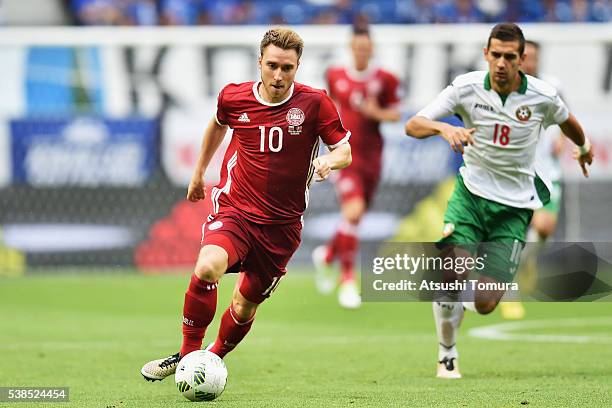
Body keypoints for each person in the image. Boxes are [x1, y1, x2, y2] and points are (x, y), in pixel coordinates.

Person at [141, 27, 352, 382]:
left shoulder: (315, 103)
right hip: (235, 211)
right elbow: (217, 125)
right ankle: (188, 355)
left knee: (244, 304)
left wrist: (329, 162)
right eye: (272, 65)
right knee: (208, 266)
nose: (279, 75)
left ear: (298, 67)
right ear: (260, 62)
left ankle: (211, 358)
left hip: (282, 228)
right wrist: (198, 173)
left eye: (288, 68)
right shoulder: (234, 98)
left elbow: (344, 148)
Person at [404, 23, 593, 379]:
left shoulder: (542, 96)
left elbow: (570, 124)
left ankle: (461, 301)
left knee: (486, 303)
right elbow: (414, 124)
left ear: (522, 60)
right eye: (496, 55)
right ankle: (447, 352)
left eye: (510, 57)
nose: (502, 63)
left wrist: (582, 149)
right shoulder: (466, 87)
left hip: (514, 208)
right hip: (470, 197)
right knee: (451, 274)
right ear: (486, 55)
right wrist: (445, 128)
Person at [312, 24, 400, 309]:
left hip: (372, 158)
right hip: (344, 154)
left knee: (355, 217)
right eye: (357, 46)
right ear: (351, 47)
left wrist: (377, 113)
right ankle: (348, 281)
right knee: (353, 211)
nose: (361, 51)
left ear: (371, 48)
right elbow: (327, 108)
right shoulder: (335, 75)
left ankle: (327, 255)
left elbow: (396, 113)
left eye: (366, 47)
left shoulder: (384, 79)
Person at [500, 39, 566, 320]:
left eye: (534, 58)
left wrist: (563, 138)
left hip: (548, 172)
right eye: (526, 57)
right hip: (518, 174)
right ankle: (509, 289)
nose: (530, 63)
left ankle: (525, 264)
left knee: (544, 228)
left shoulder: (551, 87)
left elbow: (566, 118)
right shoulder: (505, 90)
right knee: (517, 233)